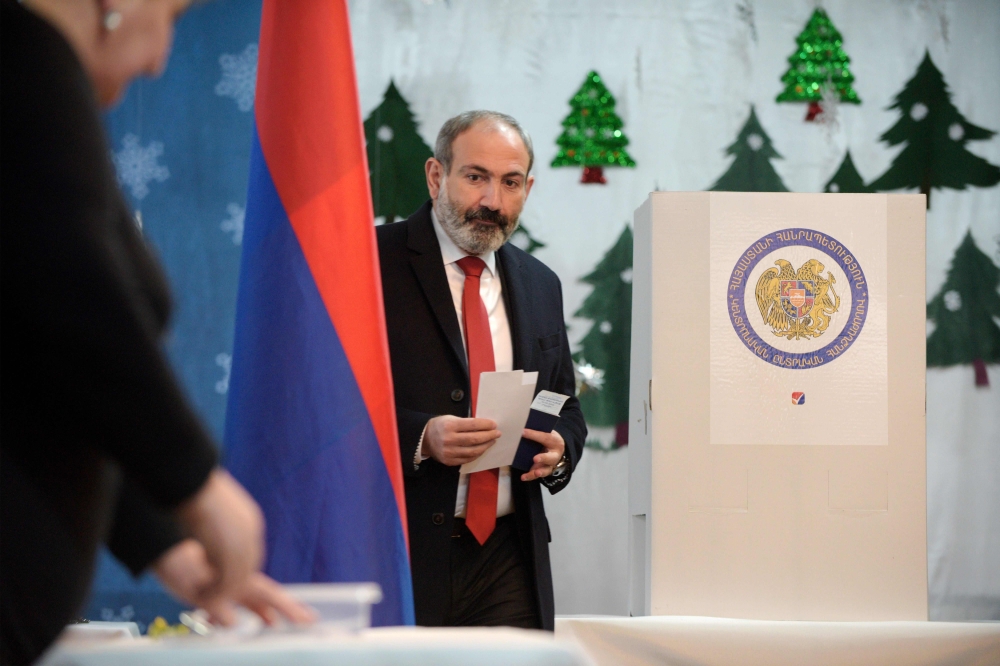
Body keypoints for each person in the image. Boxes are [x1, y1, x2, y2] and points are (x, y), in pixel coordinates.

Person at [0, 1, 308, 663]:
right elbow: (69, 289)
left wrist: (163, 539)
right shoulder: (21, 53)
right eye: (169, 14)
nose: (161, 56)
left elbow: (38, 365)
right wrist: (196, 485)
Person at [376, 111, 587, 630]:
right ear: (435, 176)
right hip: (399, 552)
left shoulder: (541, 284)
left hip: (508, 554)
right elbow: (325, 400)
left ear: (527, 188)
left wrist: (559, 448)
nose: (492, 201)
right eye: (476, 177)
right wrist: (420, 436)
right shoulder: (371, 264)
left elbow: (561, 401)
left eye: (510, 182)